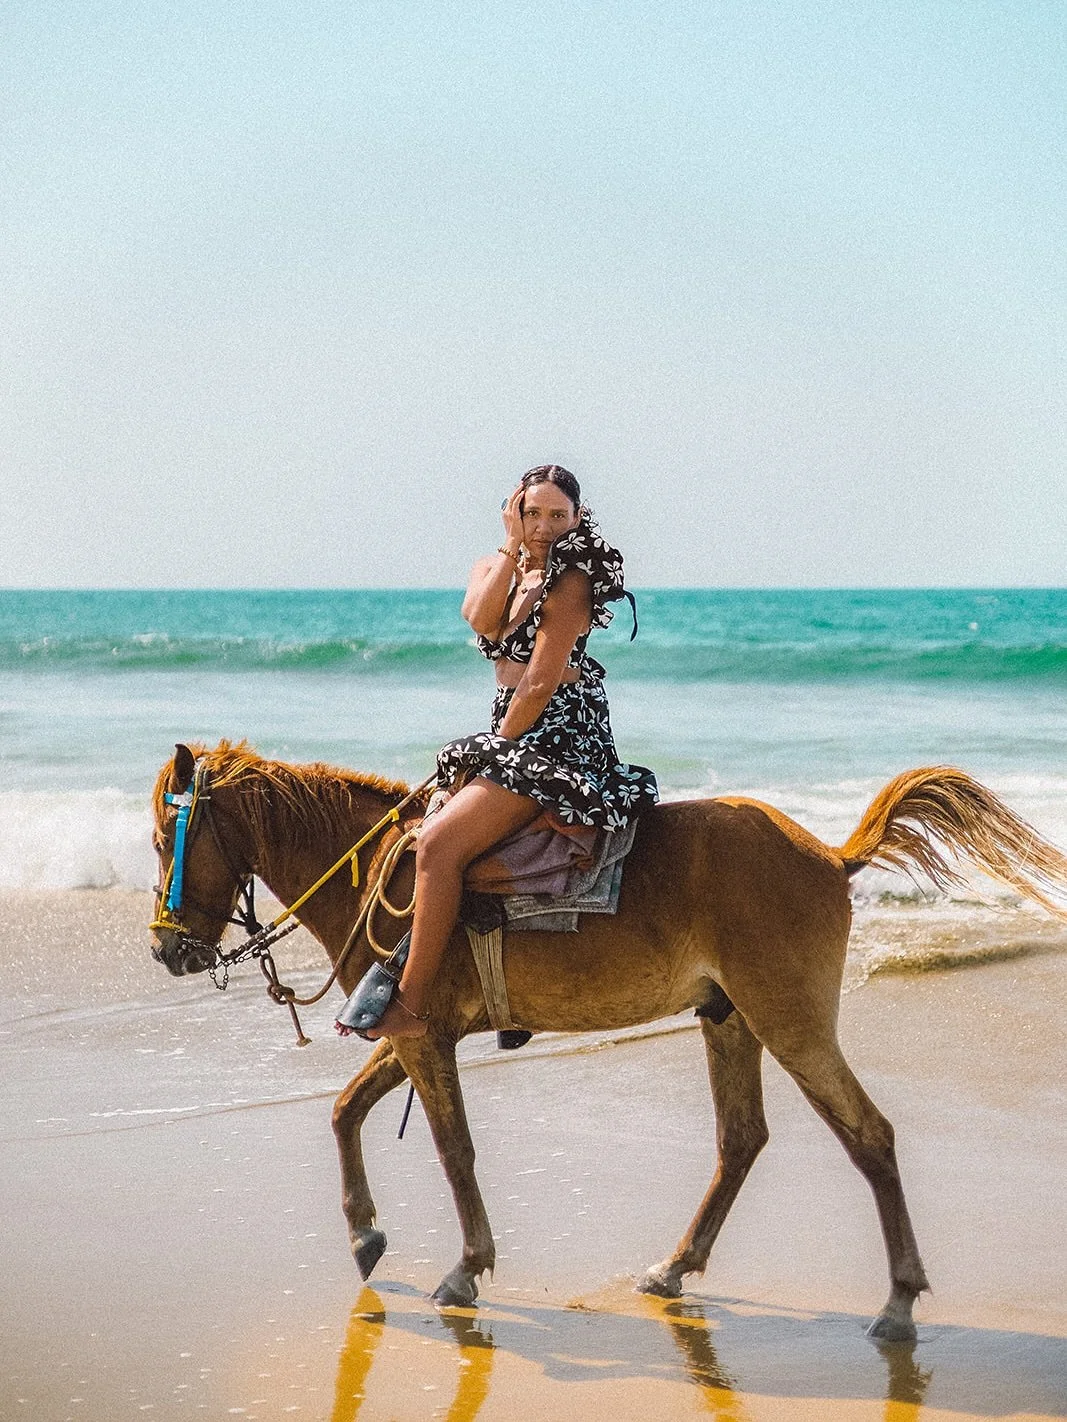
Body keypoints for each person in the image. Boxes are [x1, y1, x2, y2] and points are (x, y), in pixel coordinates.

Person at [337, 465, 658, 1040]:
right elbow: (482, 619)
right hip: (512, 725)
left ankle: (411, 1005)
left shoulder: (573, 578)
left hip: (558, 730)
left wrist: (491, 752)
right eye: (531, 513)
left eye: (557, 516)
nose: (543, 527)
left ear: (577, 519)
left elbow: (538, 682)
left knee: (437, 846)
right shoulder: (495, 567)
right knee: (426, 830)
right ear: (512, 510)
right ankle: (493, 982)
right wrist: (511, 548)